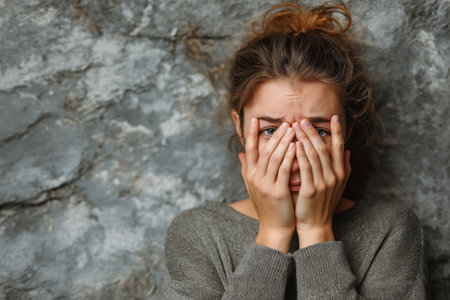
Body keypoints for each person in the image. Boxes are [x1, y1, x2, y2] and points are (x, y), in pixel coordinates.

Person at [162, 1, 428, 299]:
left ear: (347, 132)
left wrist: (316, 231)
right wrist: (273, 235)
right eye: (271, 131)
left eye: (318, 131)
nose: (294, 158)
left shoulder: (391, 230)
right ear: (240, 127)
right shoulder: (197, 233)